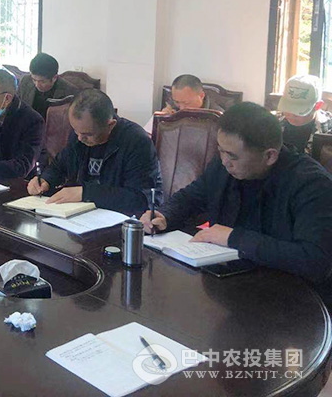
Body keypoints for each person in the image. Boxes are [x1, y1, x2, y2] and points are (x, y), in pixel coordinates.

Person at [141, 102, 332, 305]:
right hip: (230, 286)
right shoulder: (224, 165)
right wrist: (164, 215)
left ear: (270, 156)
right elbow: (192, 197)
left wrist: (234, 238)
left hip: (292, 300)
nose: (224, 161)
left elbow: (315, 261)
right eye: (221, 151)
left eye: (232, 156)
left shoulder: (311, 184)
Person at [28, 89, 162, 217]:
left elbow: (139, 199)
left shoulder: (136, 141)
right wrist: (45, 180)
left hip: (120, 219)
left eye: (88, 134)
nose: (80, 138)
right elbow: (60, 166)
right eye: (75, 130)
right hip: (82, 215)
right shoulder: (80, 134)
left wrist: (86, 193)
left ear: (110, 125)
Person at [144, 74, 224, 134]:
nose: (181, 108)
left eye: (186, 103)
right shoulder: (171, 107)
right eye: (177, 102)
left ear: (201, 96)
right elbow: (147, 136)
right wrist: (162, 120)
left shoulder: (217, 116)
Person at [277, 74, 332, 154]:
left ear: (317, 106)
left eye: (299, 110)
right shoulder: (273, 123)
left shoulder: (329, 127)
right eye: (288, 107)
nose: (291, 114)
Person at [18, 52, 73, 119]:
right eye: (34, 80)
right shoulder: (25, 81)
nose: (37, 85)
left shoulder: (69, 92)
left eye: (42, 81)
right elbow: (17, 105)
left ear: (54, 78)